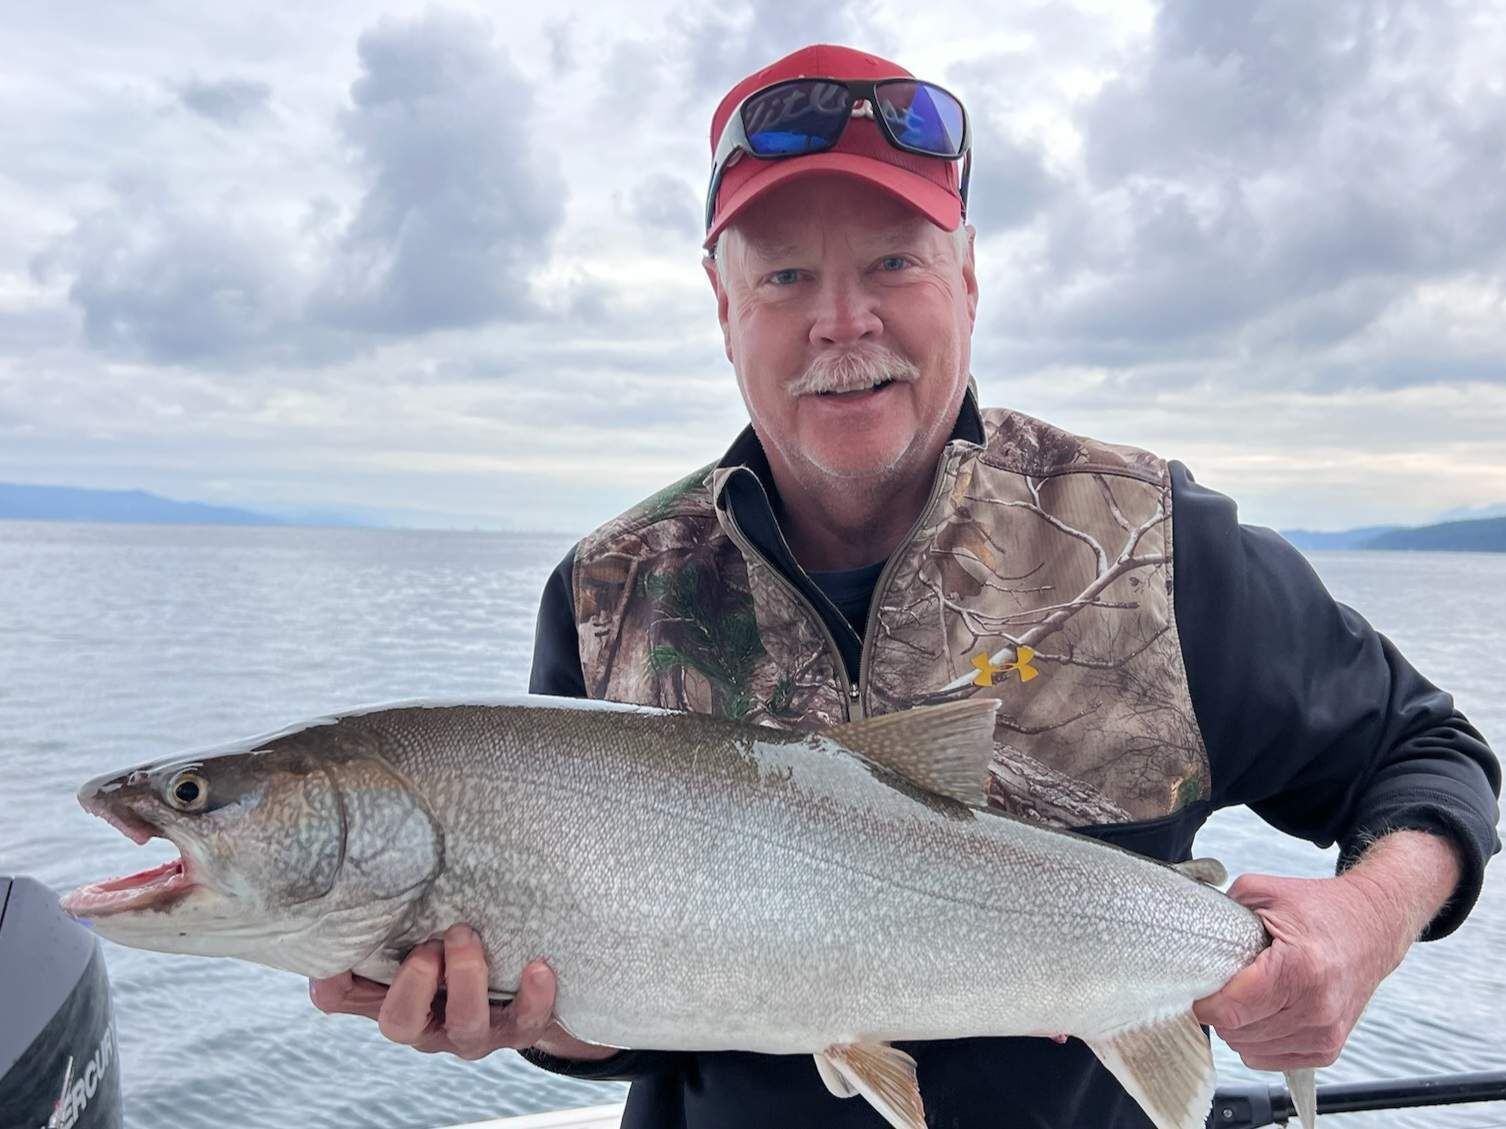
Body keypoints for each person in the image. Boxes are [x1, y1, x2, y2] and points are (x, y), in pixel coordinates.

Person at [311, 44, 1502, 1128]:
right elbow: (607, 1029)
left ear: (968, 279)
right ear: (721, 304)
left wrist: (1364, 922)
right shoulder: (615, 591)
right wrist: (532, 1022)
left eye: (893, 261)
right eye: (783, 277)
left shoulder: (1150, 540)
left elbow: (1429, 749)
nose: (843, 321)